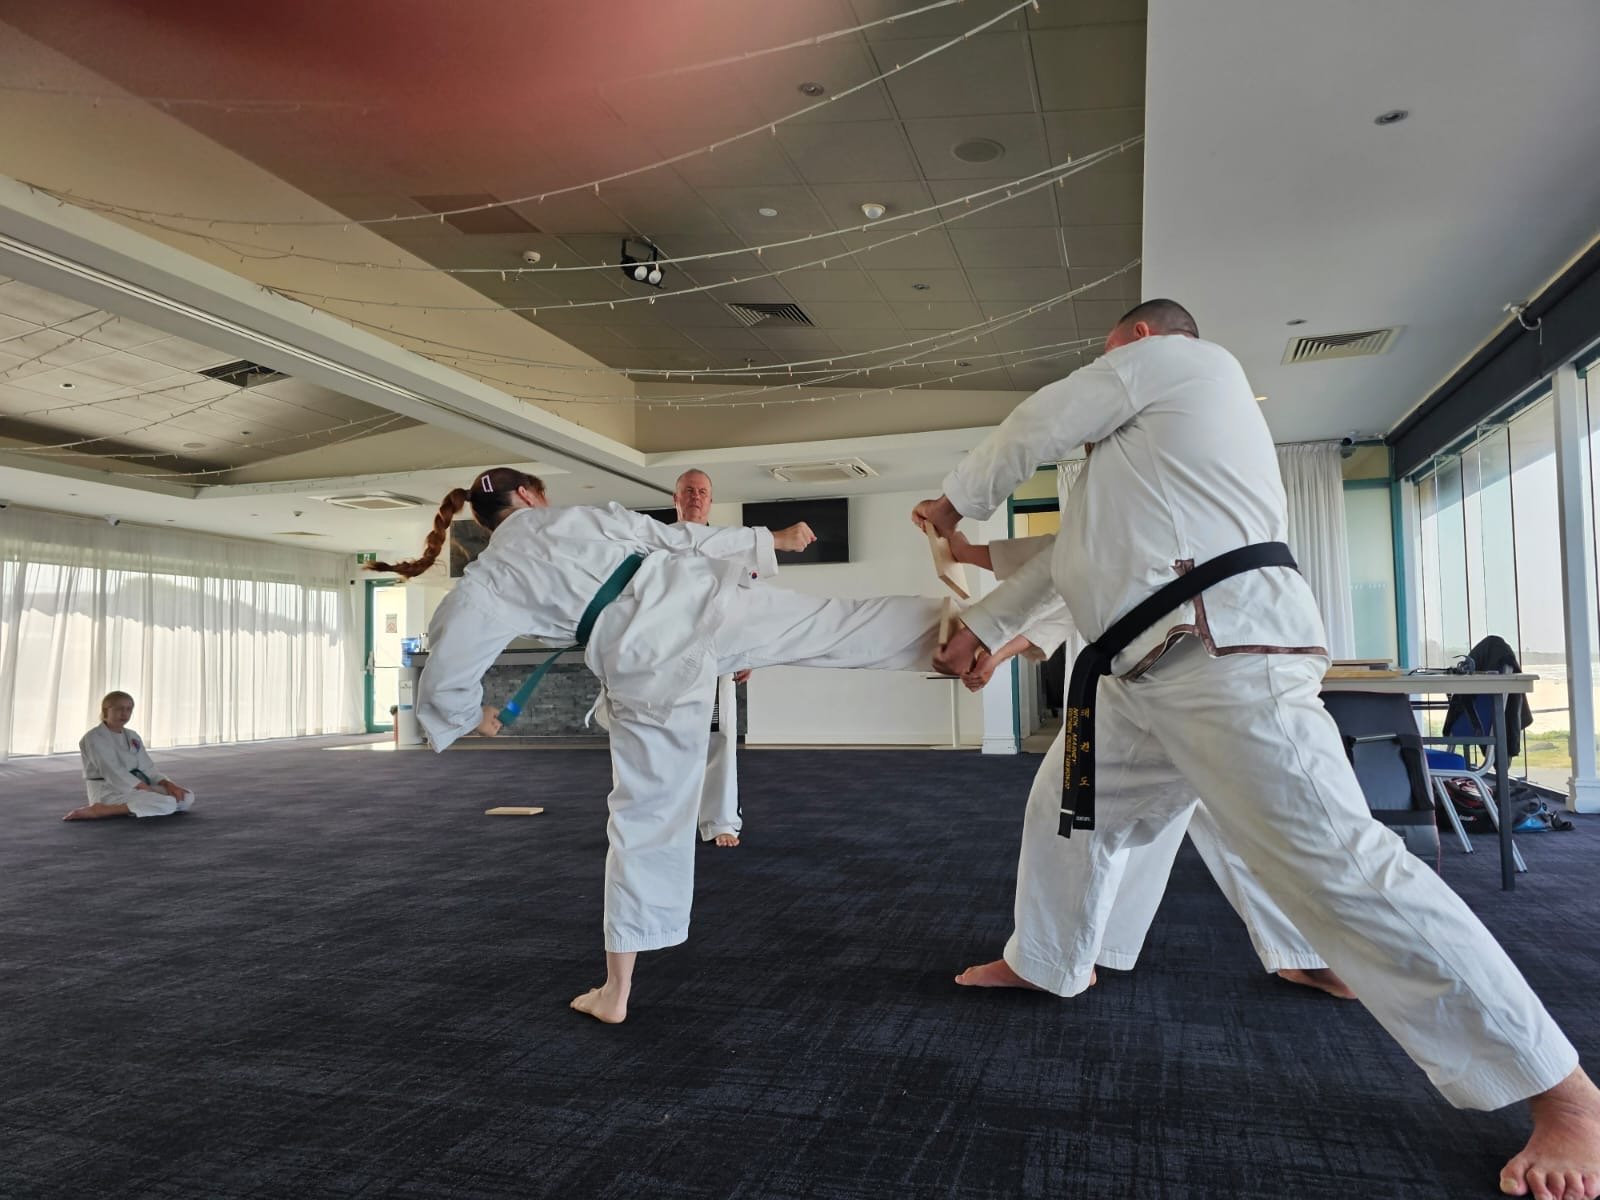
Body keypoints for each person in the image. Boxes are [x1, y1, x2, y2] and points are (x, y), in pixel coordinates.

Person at [914, 299, 1600, 1200]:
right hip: (1137, 678)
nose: (1105, 366)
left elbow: (1041, 417)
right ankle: (1048, 958)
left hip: (1221, 653)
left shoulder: (1182, 363)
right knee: (1066, 811)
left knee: (1339, 860)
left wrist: (955, 499)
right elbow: (1069, 560)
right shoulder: (1142, 463)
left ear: (1140, 338)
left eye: (1109, 351)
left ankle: (1563, 1093)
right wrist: (982, 623)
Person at [376, 468, 945, 1025]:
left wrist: (472, 717)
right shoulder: (574, 520)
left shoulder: (485, 580)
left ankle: (616, 991)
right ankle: (966, 632)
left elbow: (445, 669)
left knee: (645, 820)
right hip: (703, 602)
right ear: (527, 495)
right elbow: (678, 538)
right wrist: (767, 540)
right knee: (837, 623)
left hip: (645, 665)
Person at [942, 529, 1352, 998]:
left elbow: (1076, 553)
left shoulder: (1122, 496)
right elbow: (1082, 562)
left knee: (1071, 807)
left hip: (1173, 655)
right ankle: (1313, 953)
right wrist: (992, 627)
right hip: (1260, 637)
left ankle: (1050, 962)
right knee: (1226, 808)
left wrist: (972, 573)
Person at [592, 469, 761, 848]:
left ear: (711, 501)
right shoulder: (654, 543)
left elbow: (745, 604)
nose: (695, 497)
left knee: (719, 738)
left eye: (702, 492)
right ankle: (658, 821)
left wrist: (747, 652)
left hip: (713, 658)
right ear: (676, 498)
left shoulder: (729, 547)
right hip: (661, 658)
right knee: (655, 742)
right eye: (688, 491)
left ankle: (720, 820)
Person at [65, 691, 196, 820]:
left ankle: (141, 806)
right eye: (119, 709)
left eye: (128, 709)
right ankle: (102, 810)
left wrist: (169, 785)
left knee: (186, 797)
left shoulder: (132, 736)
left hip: (138, 786)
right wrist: (149, 791)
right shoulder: (94, 738)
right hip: (108, 790)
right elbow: (113, 771)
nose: (124, 713)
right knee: (167, 803)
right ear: (105, 710)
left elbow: (147, 767)